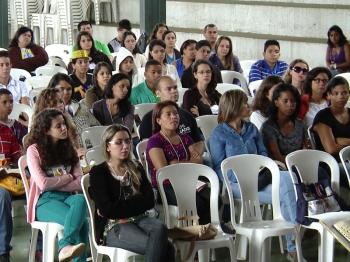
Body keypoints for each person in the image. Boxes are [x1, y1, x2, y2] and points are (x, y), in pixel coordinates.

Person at [209, 89, 299, 259]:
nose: (248, 105)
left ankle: (293, 242)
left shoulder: (251, 129)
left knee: (287, 180)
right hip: (235, 185)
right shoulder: (218, 134)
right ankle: (295, 240)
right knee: (286, 193)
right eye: (244, 102)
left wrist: (258, 169)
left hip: (259, 179)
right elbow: (218, 167)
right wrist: (237, 180)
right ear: (234, 106)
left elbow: (263, 155)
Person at [89, 124, 175, 262]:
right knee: (166, 248)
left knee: (160, 228)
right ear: (107, 146)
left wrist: (122, 207)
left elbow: (149, 200)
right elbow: (108, 209)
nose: (125, 146)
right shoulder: (99, 172)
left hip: (140, 219)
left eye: (128, 141)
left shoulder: (136, 167)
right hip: (114, 226)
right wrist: (136, 204)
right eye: (118, 142)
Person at [25, 109, 88, 262]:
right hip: (44, 201)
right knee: (82, 223)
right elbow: (43, 184)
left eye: (64, 124)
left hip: (67, 198)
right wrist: (69, 177)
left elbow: (80, 182)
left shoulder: (69, 149)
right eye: (58, 126)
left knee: (80, 200)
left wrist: (58, 183)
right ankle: (66, 247)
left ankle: (65, 246)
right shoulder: (34, 150)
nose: (64, 128)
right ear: (46, 130)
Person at [146, 101, 210, 224]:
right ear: (158, 120)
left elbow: (199, 161)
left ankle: (205, 232)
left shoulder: (185, 138)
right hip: (165, 185)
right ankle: (194, 234)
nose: (174, 117)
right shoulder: (155, 141)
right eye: (168, 114)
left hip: (189, 180)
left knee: (215, 198)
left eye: (175, 113)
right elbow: (164, 171)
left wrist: (176, 164)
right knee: (198, 203)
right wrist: (188, 163)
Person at [138, 76, 204, 155]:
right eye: (169, 89)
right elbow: (146, 151)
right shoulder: (148, 119)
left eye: (175, 88)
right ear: (157, 93)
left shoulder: (187, 115)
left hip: (192, 160)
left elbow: (199, 141)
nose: (174, 91)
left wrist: (195, 158)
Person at [48, 73, 100, 146]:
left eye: (69, 89)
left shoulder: (82, 107)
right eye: (61, 89)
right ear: (52, 90)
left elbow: (97, 128)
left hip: (90, 150)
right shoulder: (47, 113)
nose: (66, 93)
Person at [261, 83, 306, 165]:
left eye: (293, 101)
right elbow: (277, 157)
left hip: (301, 164)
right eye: (285, 101)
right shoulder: (268, 127)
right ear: (276, 103)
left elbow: (306, 149)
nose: (290, 105)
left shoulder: (300, 124)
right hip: (280, 168)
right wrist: (298, 161)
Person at [312, 76, 350, 165]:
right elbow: (331, 149)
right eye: (336, 93)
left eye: (344, 93)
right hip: (332, 164)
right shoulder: (323, 116)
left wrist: (340, 141)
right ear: (328, 95)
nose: (341, 97)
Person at [0, 119, 21, 262]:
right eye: (4, 102)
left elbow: (17, 159)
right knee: (2, 196)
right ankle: (3, 251)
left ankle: (39, 246)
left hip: (5, 179)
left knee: (36, 190)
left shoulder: (6, 131)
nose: (9, 105)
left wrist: (9, 167)